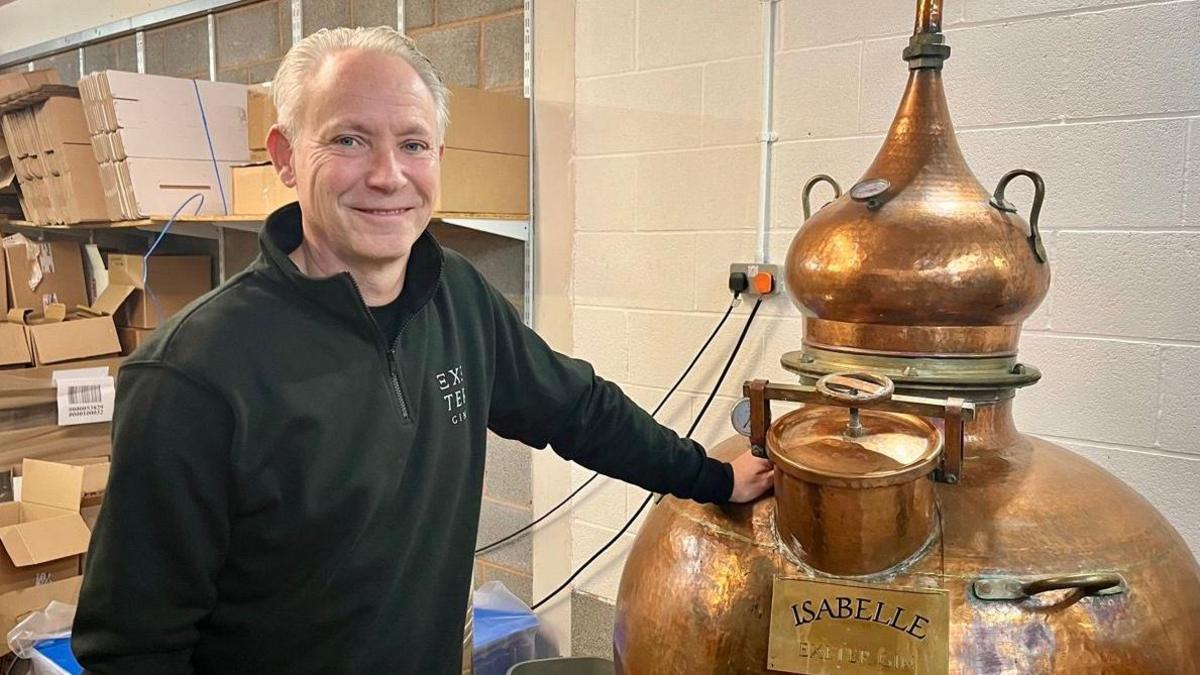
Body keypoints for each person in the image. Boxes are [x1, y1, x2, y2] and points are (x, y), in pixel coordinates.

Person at [72, 26, 773, 675]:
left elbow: (578, 410)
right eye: (348, 140)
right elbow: (133, 644)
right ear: (286, 157)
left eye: (412, 144)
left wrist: (711, 478)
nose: (387, 175)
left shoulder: (457, 297)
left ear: (439, 157)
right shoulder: (192, 373)